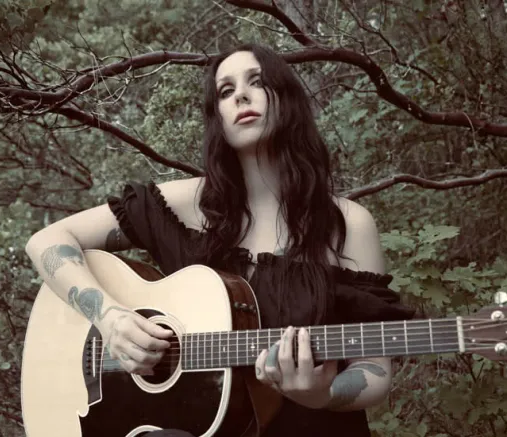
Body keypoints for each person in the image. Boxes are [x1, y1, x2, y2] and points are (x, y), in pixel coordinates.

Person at [25, 43, 414, 436]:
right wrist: (109, 318)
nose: (241, 95)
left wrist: (321, 393)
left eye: (257, 82)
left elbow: (374, 371)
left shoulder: (347, 225)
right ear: (218, 119)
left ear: (288, 101)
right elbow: (47, 241)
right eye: (225, 91)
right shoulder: (181, 206)